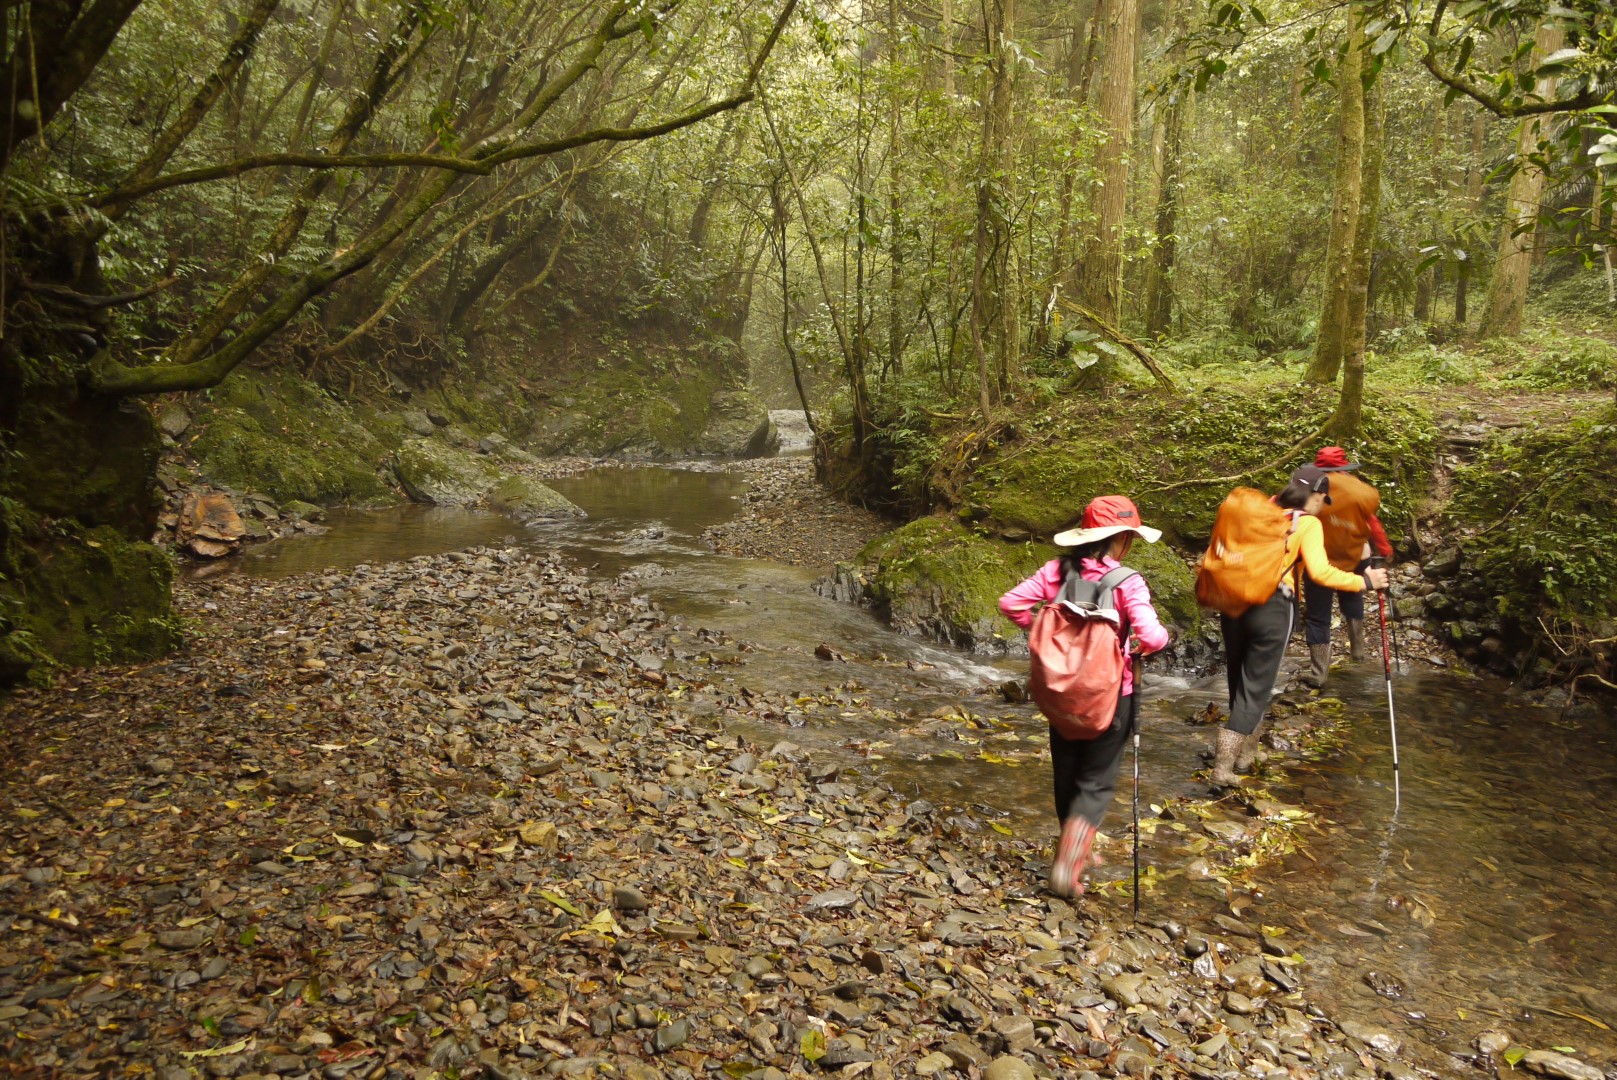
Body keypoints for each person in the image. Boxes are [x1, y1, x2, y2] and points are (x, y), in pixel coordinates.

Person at [998, 496, 1171, 897]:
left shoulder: (1055, 570)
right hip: (1111, 695)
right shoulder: (1127, 581)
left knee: (1067, 770)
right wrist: (1138, 649)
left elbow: (1011, 603)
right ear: (1123, 540)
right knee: (1095, 779)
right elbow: (1152, 636)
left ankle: (1074, 846)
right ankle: (1070, 860)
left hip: (1060, 695)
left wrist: (1038, 628)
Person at [1210, 466, 1389, 787]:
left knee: (1240, 680)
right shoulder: (1306, 523)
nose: (1323, 504)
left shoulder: (1262, 512)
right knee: (1256, 689)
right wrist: (1364, 581)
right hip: (1273, 608)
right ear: (1316, 495)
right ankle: (1223, 768)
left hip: (1233, 602)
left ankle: (1247, 753)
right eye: (1323, 498)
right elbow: (1320, 573)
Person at [1301, 446, 1394, 688]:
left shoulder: (1311, 489)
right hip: (1356, 556)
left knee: (1318, 615)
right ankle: (1358, 653)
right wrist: (1384, 551)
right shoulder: (1360, 491)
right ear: (1344, 466)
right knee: (1352, 600)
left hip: (1319, 559)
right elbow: (1372, 524)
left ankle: (1319, 674)